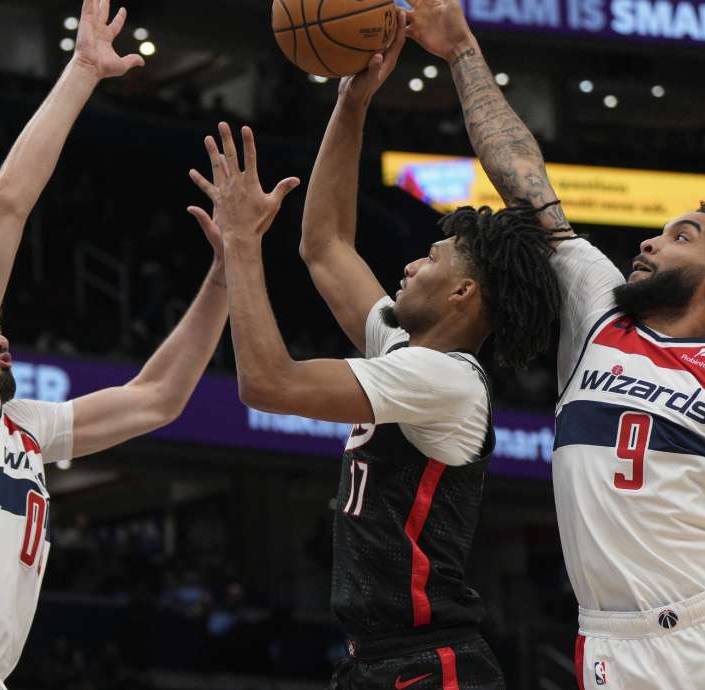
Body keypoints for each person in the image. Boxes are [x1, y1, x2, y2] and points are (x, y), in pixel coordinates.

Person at [405, 1, 705, 688]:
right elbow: (520, 173)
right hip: (611, 648)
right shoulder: (597, 313)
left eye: (680, 237)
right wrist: (461, 48)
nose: (650, 241)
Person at [0, 2, 232, 688]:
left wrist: (227, 271)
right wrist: (84, 70)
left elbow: (157, 399)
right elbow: (5, 205)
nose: (0, 336)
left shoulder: (21, 427)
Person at [185, 28, 561, 690]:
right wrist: (352, 102)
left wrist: (241, 246)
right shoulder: (410, 353)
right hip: (380, 661)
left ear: (463, 293)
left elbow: (268, 384)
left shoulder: (444, 381)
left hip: (430, 663)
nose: (411, 264)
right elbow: (325, 244)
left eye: (431, 260)